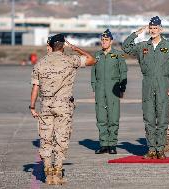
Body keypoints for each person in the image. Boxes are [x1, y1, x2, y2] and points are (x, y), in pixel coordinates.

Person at [29, 33, 95, 185]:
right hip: (64, 106)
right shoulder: (70, 60)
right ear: (63, 46)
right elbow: (92, 60)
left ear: (50, 46)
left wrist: (32, 106)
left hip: (45, 105)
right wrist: (75, 48)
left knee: (46, 139)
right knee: (61, 138)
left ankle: (47, 173)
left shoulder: (41, 63)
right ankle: (57, 172)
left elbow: (35, 87)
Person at [122, 16, 169, 159]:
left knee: (162, 118)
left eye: (155, 28)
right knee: (149, 118)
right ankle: (151, 149)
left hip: (163, 84)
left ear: (161, 29)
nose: (153, 31)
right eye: (151, 28)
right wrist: (136, 33)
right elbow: (125, 47)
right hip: (147, 84)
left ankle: (160, 149)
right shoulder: (142, 46)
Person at [91, 29, 128, 154]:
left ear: (111, 41)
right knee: (101, 117)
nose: (103, 42)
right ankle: (103, 144)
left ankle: (112, 144)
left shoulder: (118, 55)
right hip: (100, 88)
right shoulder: (97, 55)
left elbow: (123, 72)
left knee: (113, 117)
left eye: (106, 40)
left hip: (113, 89)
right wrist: (94, 87)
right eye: (102, 40)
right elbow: (93, 73)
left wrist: (122, 88)